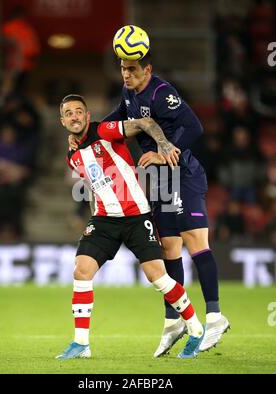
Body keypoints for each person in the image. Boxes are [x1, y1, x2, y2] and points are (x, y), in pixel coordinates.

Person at [70, 52, 230, 356]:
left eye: (131, 69)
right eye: (122, 69)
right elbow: (115, 120)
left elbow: (195, 127)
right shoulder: (128, 93)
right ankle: (173, 322)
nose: (126, 75)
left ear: (147, 70)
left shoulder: (162, 93)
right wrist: (82, 135)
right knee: (168, 246)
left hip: (183, 174)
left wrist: (164, 150)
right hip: (159, 181)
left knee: (195, 240)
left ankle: (214, 316)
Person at [57, 94, 205, 359]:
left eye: (80, 111)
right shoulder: (73, 156)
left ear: (87, 116)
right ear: (62, 121)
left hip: (136, 216)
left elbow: (146, 121)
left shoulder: (104, 130)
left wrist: (163, 146)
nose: (75, 117)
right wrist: (93, 216)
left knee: (157, 278)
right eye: (69, 113)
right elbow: (93, 186)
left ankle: (195, 329)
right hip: (104, 220)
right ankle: (81, 344)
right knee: (82, 270)